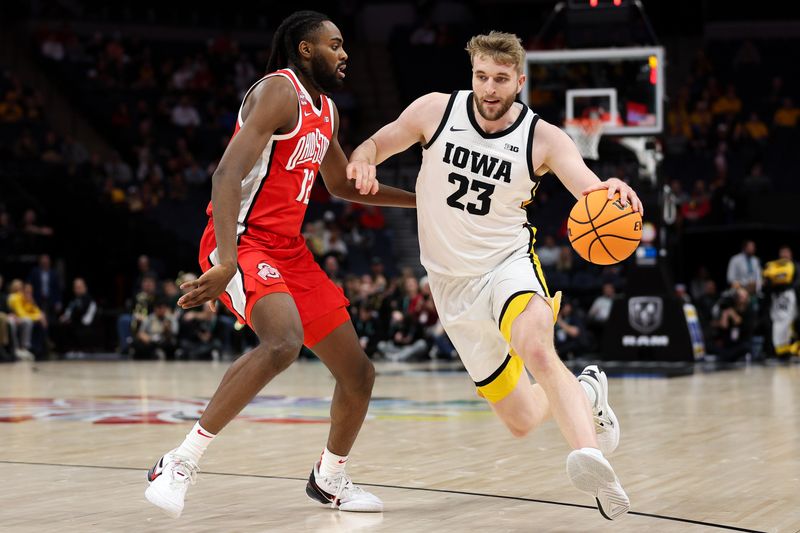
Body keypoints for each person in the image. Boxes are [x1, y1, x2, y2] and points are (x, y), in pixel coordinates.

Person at [347, 31, 641, 520]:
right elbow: (381, 142)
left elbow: (586, 187)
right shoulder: (435, 112)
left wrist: (607, 186)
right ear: (472, 75)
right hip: (450, 287)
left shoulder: (543, 138)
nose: (489, 88)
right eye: (482, 76)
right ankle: (587, 392)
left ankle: (592, 460)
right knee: (523, 419)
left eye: (501, 79)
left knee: (538, 349)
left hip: (508, 265)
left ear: (519, 81)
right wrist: (361, 158)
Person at [144, 11, 415, 518]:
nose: (345, 53)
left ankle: (329, 478)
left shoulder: (327, 110)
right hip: (242, 242)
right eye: (335, 45)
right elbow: (226, 175)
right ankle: (179, 461)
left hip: (289, 249)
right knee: (283, 341)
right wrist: (226, 260)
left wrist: (423, 201)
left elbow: (339, 185)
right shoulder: (278, 91)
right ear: (306, 49)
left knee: (358, 374)